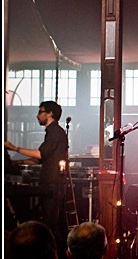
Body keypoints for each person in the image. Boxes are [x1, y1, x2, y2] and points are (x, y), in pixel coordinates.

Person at [4, 101, 68, 256]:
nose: (37, 115)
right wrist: (16, 162)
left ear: (50, 114)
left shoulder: (55, 132)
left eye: (40, 111)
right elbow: (40, 159)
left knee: (51, 224)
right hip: (50, 184)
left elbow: (40, 154)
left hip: (53, 184)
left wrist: (14, 148)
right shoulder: (52, 133)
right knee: (52, 224)